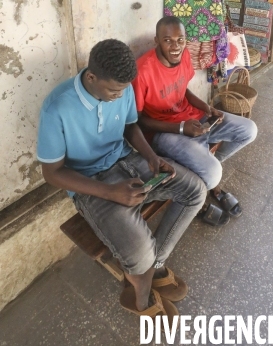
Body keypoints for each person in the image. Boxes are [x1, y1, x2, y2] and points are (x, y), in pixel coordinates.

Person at [36, 39, 206, 326]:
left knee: (195, 191)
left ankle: (154, 266)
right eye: (114, 90)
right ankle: (139, 298)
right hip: (90, 183)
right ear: (91, 77)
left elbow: (130, 126)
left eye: (125, 89)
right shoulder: (57, 107)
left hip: (127, 159)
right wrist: (110, 192)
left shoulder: (122, 88)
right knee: (139, 255)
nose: (121, 95)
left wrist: (152, 158)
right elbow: (52, 173)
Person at [133, 16, 258, 227]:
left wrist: (206, 108)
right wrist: (180, 128)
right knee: (213, 172)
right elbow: (138, 122)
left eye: (180, 40)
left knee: (249, 129)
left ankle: (207, 167)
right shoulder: (143, 71)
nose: (175, 47)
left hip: (194, 119)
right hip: (165, 134)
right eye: (168, 40)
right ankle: (202, 196)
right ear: (156, 41)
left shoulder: (183, 55)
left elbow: (183, 89)